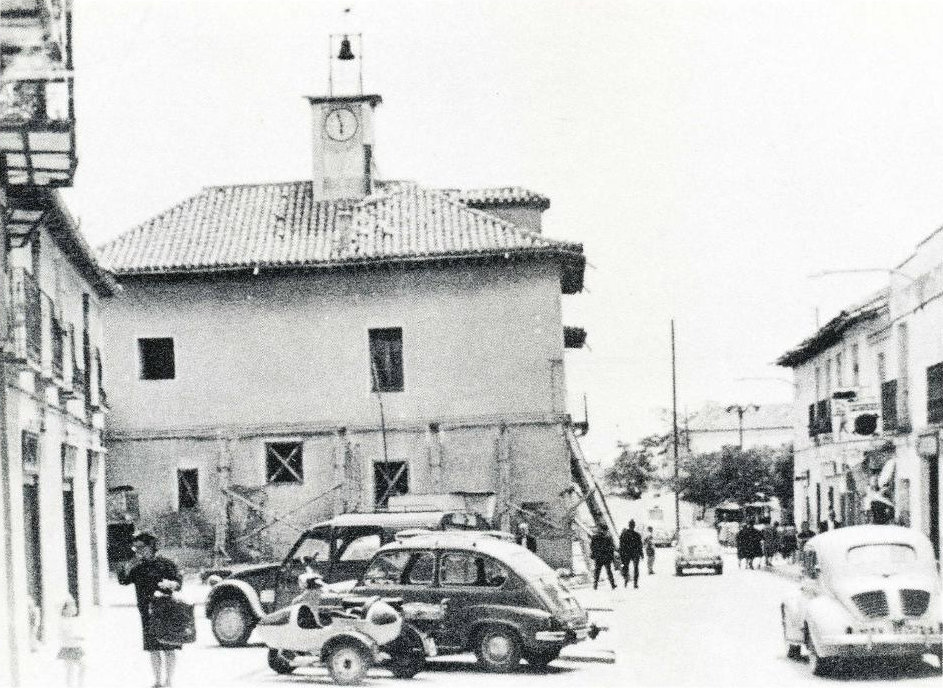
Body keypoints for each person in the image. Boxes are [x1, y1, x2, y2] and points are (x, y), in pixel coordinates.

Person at [118, 531, 183, 688]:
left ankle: (169, 681)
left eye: (141, 547)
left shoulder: (166, 564)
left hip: (167, 610)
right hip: (147, 613)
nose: (138, 550)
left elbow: (179, 584)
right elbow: (123, 580)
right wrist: (128, 565)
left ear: (151, 546)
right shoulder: (137, 567)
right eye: (136, 547)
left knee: (169, 647)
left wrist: (171, 584)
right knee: (153, 649)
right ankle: (158, 681)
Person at [58, 597, 85, 688]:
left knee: (71, 669)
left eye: (74, 606)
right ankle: (78, 685)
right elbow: (66, 635)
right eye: (71, 607)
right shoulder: (64, 621)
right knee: (81, 667)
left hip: (73, 646)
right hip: (70, 647)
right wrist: (78, 637)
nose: (74, 608)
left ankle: (75, 685)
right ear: (65, 609)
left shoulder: (70, 620)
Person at [589, 525, 617, 590]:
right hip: (606, 558)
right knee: (609, 571)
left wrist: (594, 554)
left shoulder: (594, 537)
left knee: (597, 571)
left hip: (598, 557)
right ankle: (612, 585)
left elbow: (592, 547)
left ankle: (595, 585)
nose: (606, 532)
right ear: (605, 530)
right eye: (606, 530)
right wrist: (611, 556)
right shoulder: (608, 537)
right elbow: (611, 548)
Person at [618, 520, 644, 588]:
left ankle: (626, 580)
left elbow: (621, 545)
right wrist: (641, 554)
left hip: (626, 553)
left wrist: (621, 554)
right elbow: (640, 545)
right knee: (636, 568)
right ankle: (635, 583)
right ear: (634, 526)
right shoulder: (637, 534)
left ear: (628, 525)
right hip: (635, 553)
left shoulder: (623, 534)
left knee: (625, 567)